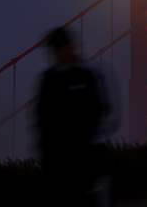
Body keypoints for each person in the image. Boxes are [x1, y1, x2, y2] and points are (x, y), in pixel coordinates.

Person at [35, 26, 114, 206]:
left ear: (70, 46)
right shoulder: (48, 80)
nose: (57, 53)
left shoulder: (88, 76)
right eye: (54, 49)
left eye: (60, 47)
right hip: (59, 166)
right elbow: (41, 122)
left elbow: (103, 110)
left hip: (85, 164)